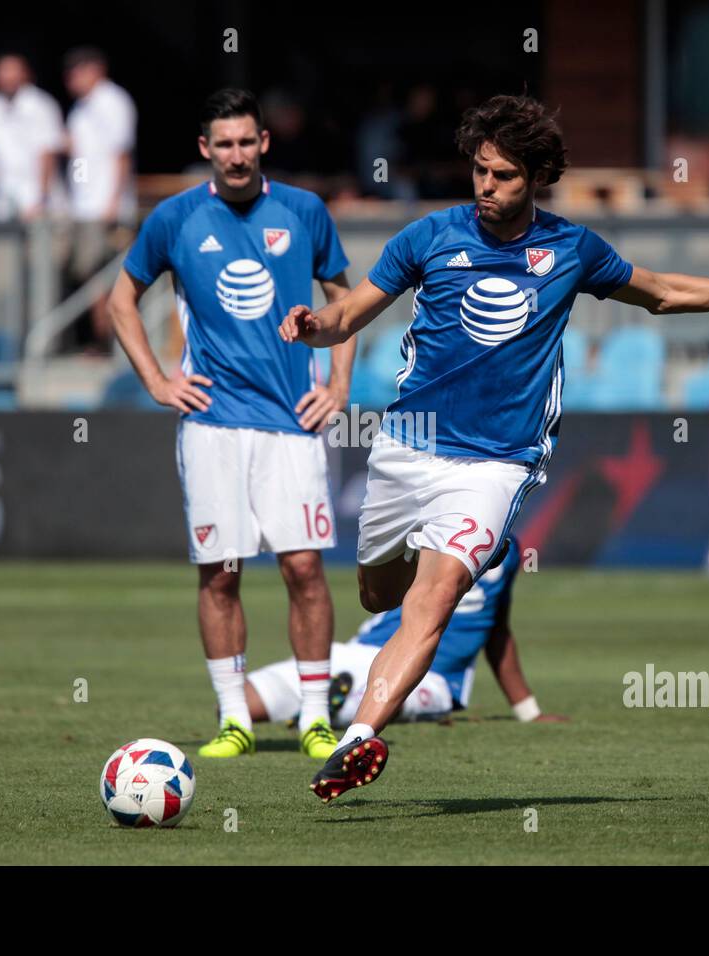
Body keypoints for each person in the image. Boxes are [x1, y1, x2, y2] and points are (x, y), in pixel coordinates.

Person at [277, 94, 709, 802]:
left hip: (496, 460)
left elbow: (665, 292)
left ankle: (359, 738)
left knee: (439, 594)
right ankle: (371, 682)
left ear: (536, 178)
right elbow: (347, 313)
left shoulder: (572, 250)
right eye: (481, 171)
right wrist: (313, 325)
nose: (487, 186)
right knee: (379, 592)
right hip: (408, 445)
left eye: (505, 176)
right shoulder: (428, 237)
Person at [107, 89, 356, 761]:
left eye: (248, 141)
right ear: (205, 150)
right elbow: (120, 300)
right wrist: (158, 380)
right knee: (220, 574)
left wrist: (338, 384)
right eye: (225, 144)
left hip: (290, 421)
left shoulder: (304, 211)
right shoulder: (176, 218)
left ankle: (313, 718)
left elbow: (345, 300)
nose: (237, 155)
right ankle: (232, 720)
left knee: (304, 568)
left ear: (264, 144)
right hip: (211, 423)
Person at [246, 536, 566, 730]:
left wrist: (529, 712)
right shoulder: (424, 527)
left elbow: (497, 631)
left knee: (394, 699)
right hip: (363, 651)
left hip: (433, 677)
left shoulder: (507, 551)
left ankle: (329, 708)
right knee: (242, 704)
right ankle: (327, 707)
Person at [65, 47, 136, 352]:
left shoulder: (114, 101)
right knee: (93, 280)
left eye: (78, 72)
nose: (72, 80)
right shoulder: (80, 109)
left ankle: (112, 345)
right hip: (84, 208)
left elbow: (121, 154)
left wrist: (113, 202)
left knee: (114, 279)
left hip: (108, 209)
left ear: (96, 69)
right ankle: (101, 342)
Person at [0, 54, 65, 221]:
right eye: (3, 73)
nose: (7, 78)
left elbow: (48, 154)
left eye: (12, 72)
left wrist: (41, 198)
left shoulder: (42, 105)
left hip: (37, 200)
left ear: (25, 75)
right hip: (4, 199)